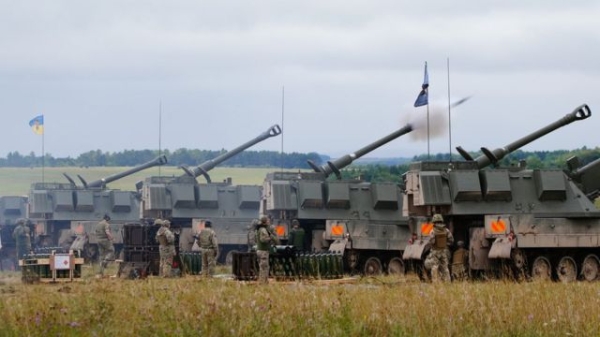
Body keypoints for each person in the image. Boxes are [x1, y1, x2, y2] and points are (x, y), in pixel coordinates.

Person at [423, 214, 454, 282]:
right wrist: (445, 244)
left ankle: (435, 282)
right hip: (443, 251)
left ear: (434, 221)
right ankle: (447, 282)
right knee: (445, 267)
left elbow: (432, 241)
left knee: (434, 266)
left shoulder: (432, 231)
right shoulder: (446, 230)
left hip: (435, 251)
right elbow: (451, 240)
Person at [255, 216, 276, 284]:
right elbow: (263, 239)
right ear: (265, 222)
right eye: (268, 220)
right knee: (264, 267)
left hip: (260, 250)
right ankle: (263, 282)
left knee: (263, 267)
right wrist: (270, 238)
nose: (269, 221)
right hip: (263, 251)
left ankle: (263, 281)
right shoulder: (263, 229)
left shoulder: (259, 229)